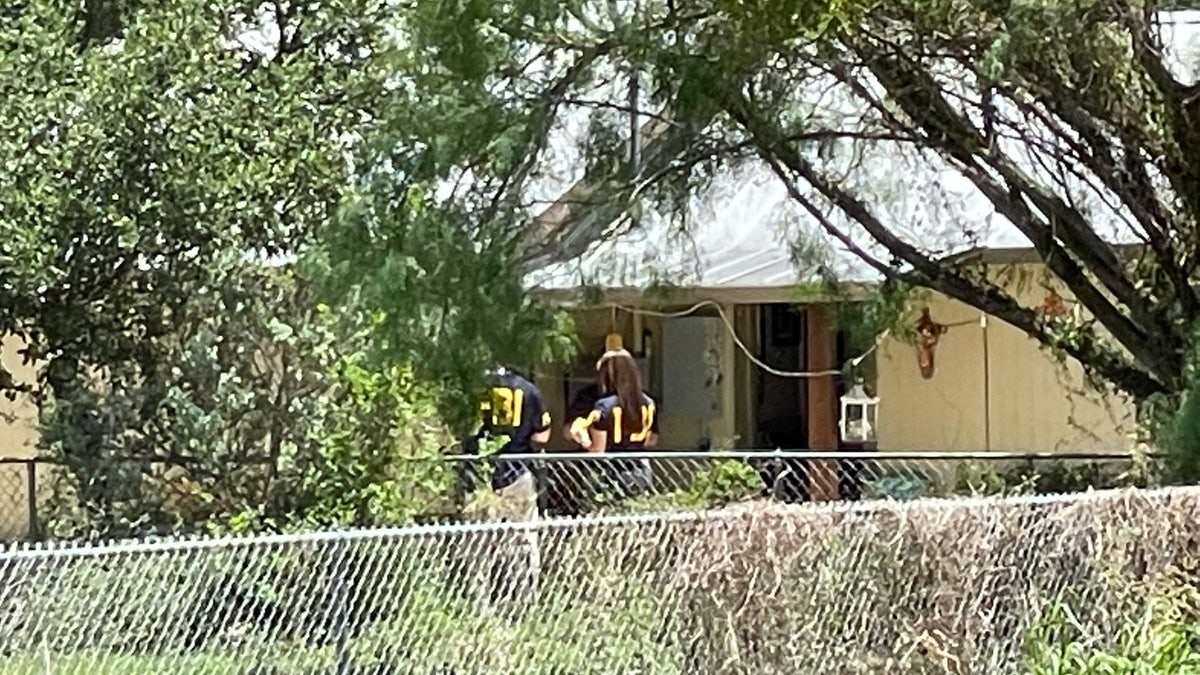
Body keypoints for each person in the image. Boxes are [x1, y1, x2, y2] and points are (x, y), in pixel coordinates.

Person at [468, 365, 551, 616]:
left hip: (479, 475)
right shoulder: (528, 390)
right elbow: (542, 437)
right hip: (517, 471)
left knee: (477, 542)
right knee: (525, 537)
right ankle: (525, 600)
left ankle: (480, 603)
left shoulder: (472, 388)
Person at [569, 349, 659, 501]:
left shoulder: (604, 406)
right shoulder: (649, 403)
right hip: (639, 471)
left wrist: (581, 437)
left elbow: (598, 450)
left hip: (611, 474)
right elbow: (652, 439)